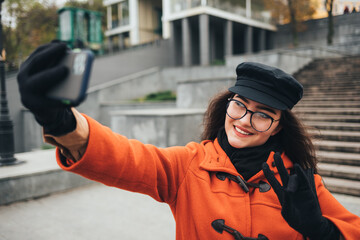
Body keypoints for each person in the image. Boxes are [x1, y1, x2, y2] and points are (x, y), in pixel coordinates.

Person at [17, 41, 360, 239]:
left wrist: (320, 230)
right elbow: (124, 157)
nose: (243, 121)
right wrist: (60, 121)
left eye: (262, 114)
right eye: (239, 105)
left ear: (277, 127)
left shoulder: (301, 184)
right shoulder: (188, 166)